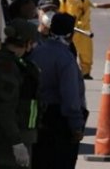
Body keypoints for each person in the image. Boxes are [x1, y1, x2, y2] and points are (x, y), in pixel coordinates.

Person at [0, 18, 40, 169]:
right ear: (27, 42)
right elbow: (4, 107)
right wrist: (16, 142)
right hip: (8, 137)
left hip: (12, 135)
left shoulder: (13, 64)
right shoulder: (7, 67)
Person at [30, 13, 88, 169]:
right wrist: (76, 126)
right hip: (59, 123)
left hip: (37, 120)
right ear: (71, 35)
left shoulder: (36, 52)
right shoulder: (66, 58)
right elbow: (70, 97)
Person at [59, 0, 94, 79]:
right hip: (69, 30)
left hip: (82, 30)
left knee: (86, 51)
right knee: (67, 51)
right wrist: (65, 25)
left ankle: (85, 72)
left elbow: (86, 13)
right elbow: (61, 12)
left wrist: (80, 24)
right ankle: (67, 71)